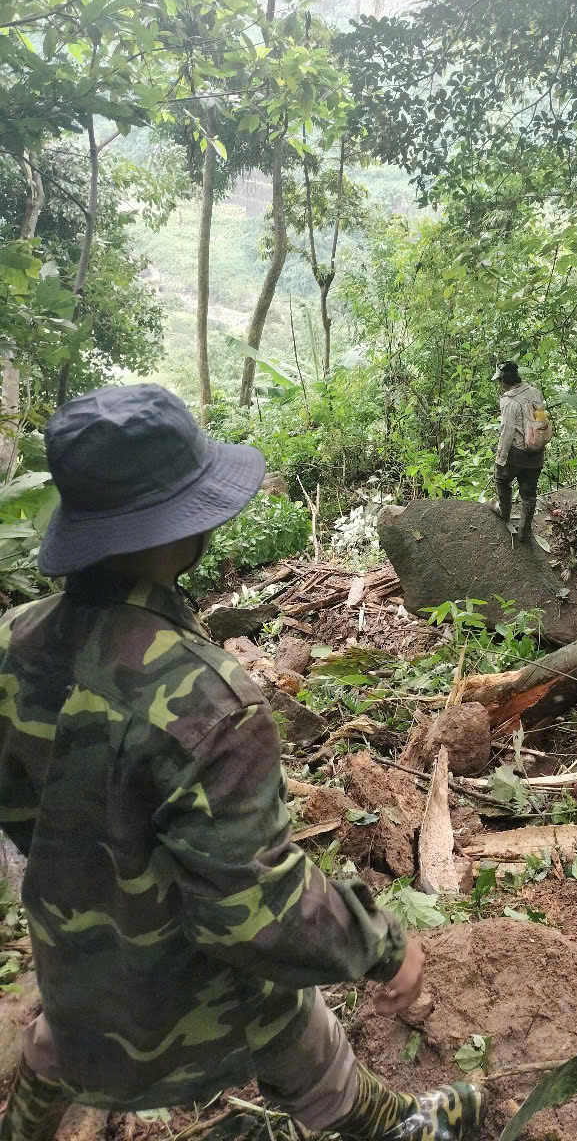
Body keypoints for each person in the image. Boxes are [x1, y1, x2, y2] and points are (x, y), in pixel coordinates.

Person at [0, 385, 486, 1141]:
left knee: (59, 1035)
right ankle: (400, 1128)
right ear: (178, 529)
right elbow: (256, 912)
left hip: (76, 966)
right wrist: (386, 945)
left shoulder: (13, 643)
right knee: (297, 1027)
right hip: (182, 1003)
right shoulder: (204, 697)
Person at [491, 361, 548, 542]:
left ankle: (504, 511)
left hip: (516, 453)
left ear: (503, 381)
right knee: (529, 493)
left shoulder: (508, 401)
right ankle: (525, 531)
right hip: (536, 451)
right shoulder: (535, 392)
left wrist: (501, 458)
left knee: (501, 479)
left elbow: (507, 432)